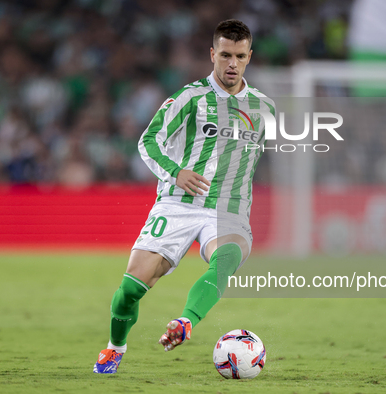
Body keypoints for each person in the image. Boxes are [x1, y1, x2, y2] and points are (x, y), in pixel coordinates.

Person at [93, 19, 275, 374]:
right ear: (212, 54)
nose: (232, 64)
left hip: (229, 210)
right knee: (130, 289)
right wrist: (176, 172)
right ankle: (115, 347)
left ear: (249, 57)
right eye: (225, 55)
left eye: (239, 56)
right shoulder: (190, 98)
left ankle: (186, 322)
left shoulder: (264, 108)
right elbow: (148, 141)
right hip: (178, 203)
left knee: (226, 258)